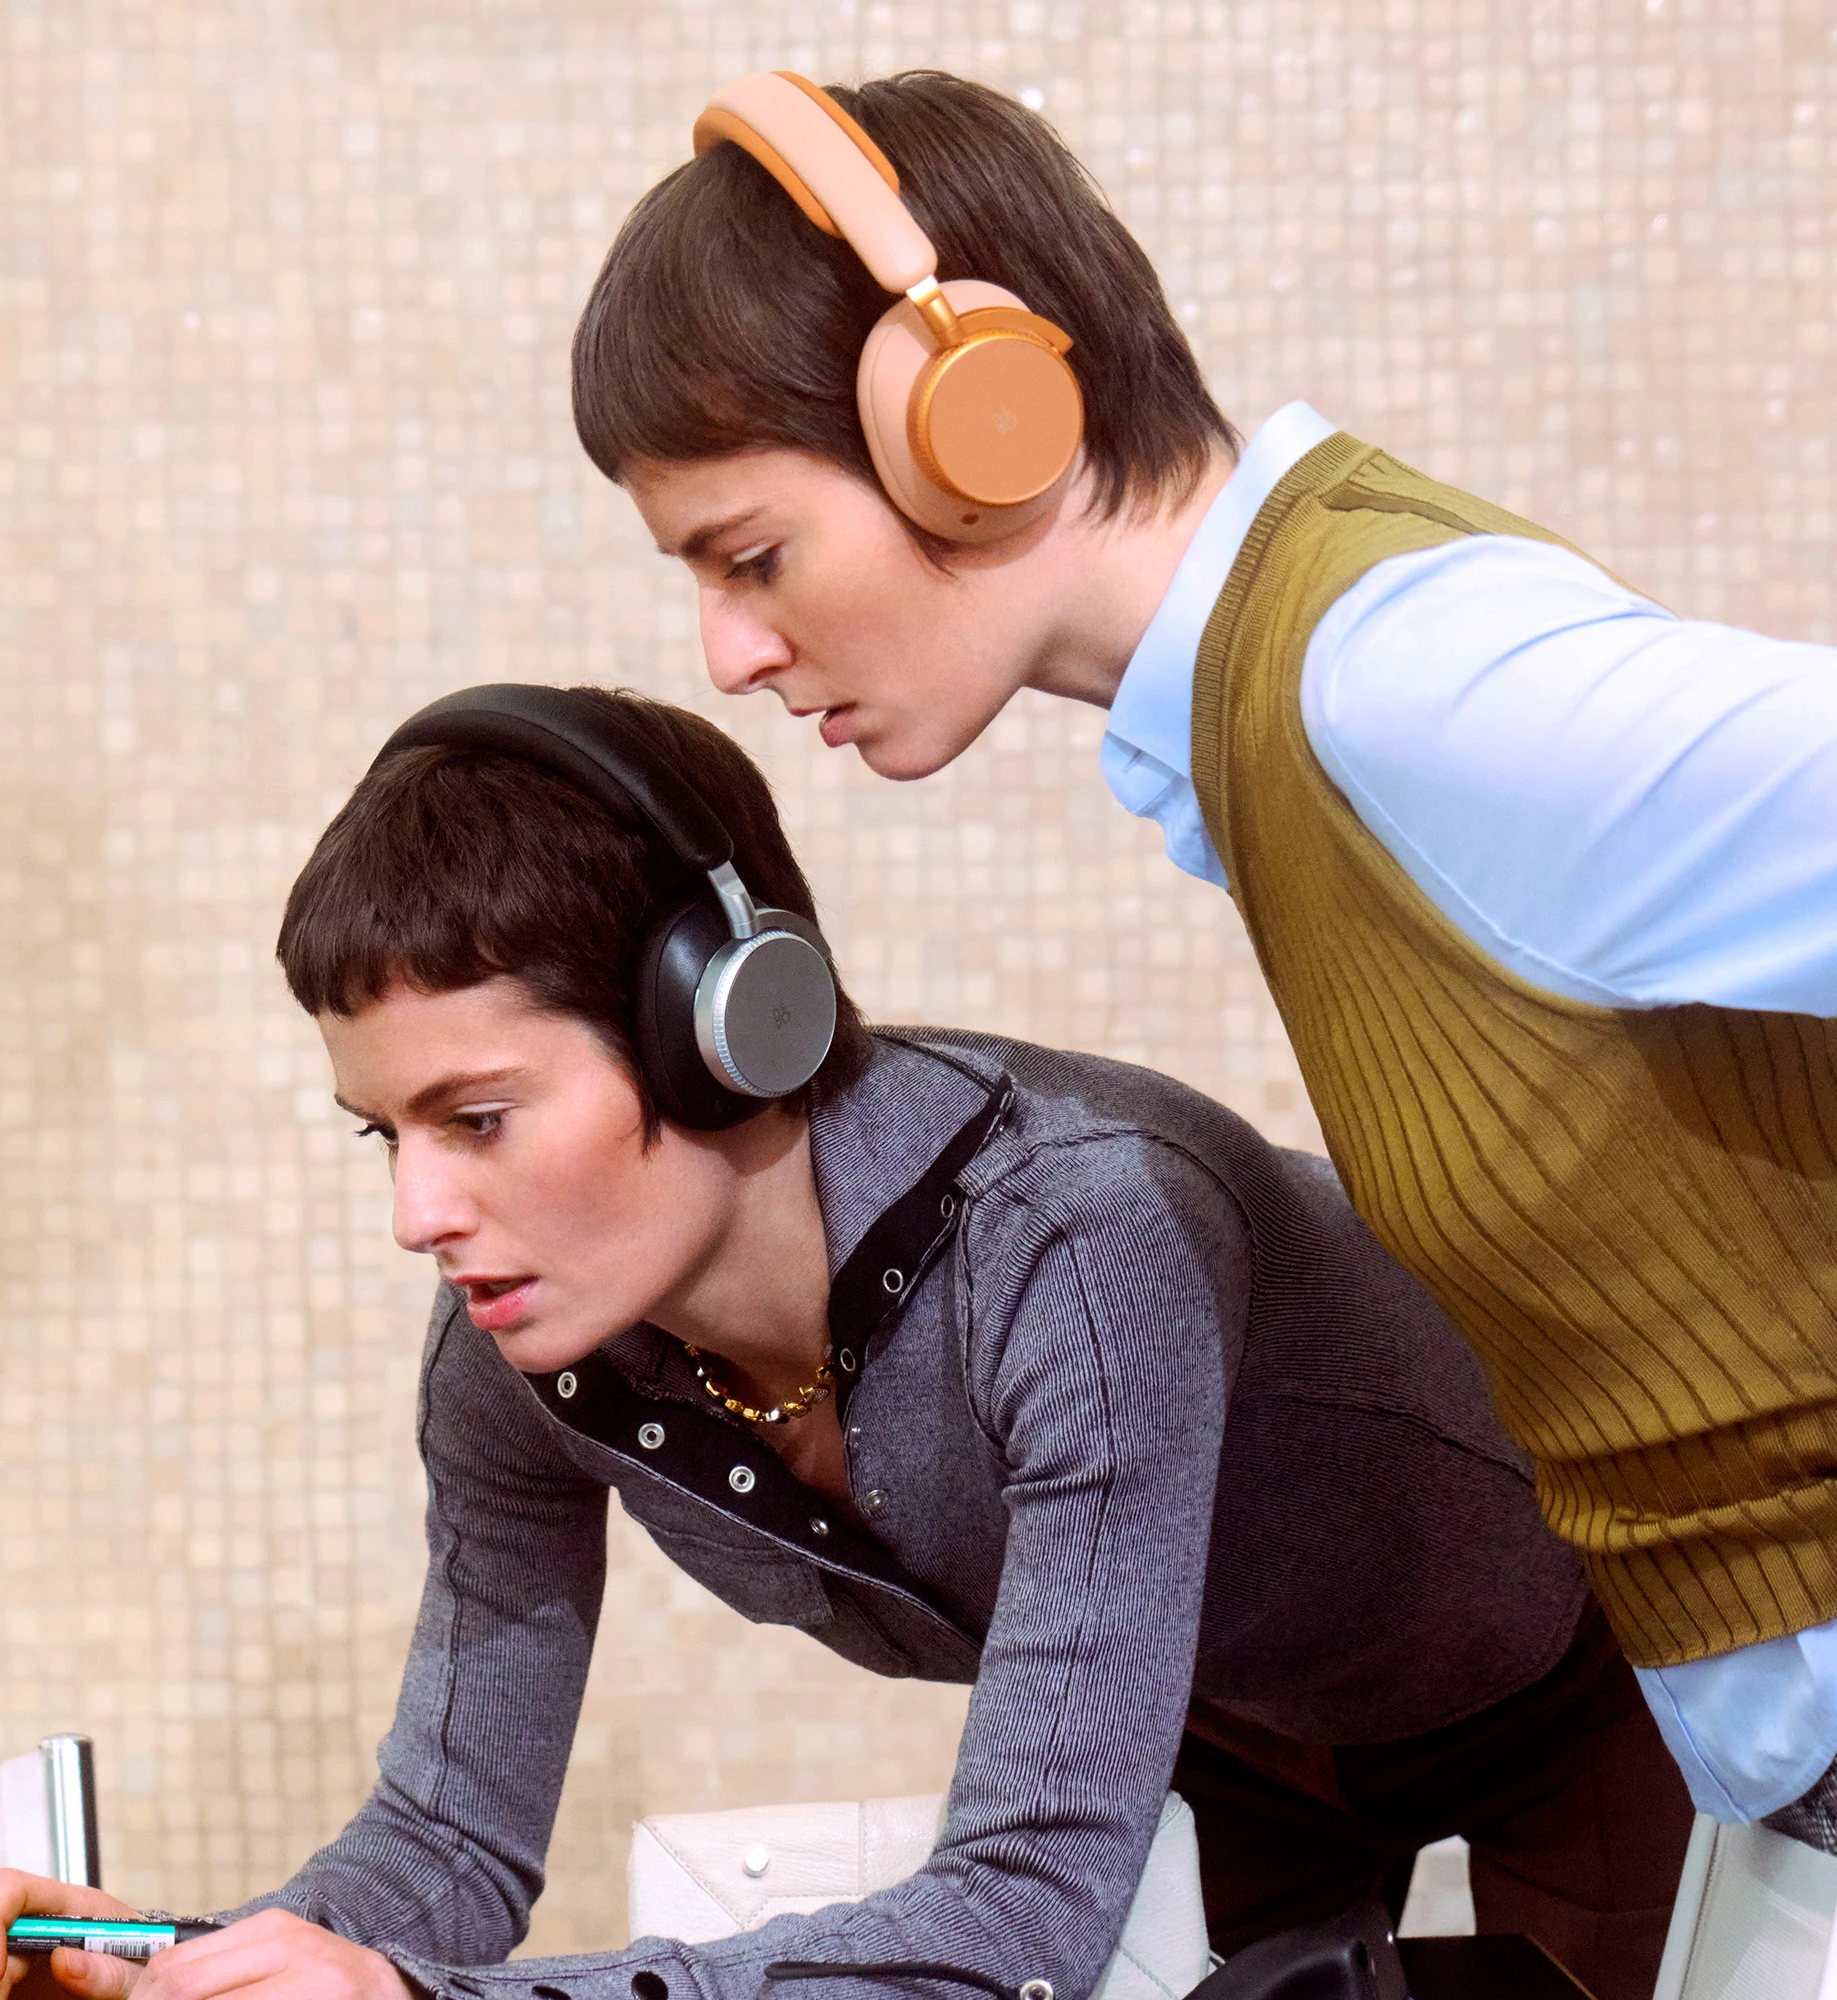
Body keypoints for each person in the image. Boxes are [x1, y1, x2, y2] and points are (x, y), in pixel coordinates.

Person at [0, 687, 1686, 2000]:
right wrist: (197, 1962)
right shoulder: (517, 1361)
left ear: (727, 1033)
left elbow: (1013, 1926)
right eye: (382, 1135)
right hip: (1224, 1721)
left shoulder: (1084, 1237)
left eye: (476, 1118)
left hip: (1588, 1665)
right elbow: (453, 1847)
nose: (418, 1215)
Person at [568, 67, 1837, 1850]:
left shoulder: (1393, 685)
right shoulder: (1270, 727)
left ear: (978, 419)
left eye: (753, 555)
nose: (726, 652)